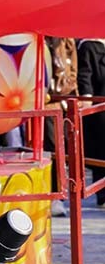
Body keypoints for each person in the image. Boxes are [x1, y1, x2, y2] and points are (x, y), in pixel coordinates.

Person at [45, 36, 78, 216]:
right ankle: (53, 193)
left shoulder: (65, 40)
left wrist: (69, 90)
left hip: (59, 99)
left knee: (59, 146)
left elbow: (72, 69)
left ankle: (58, 193)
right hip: (41, 97)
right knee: (50, 146)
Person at [77, 38, 105, 206]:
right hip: (99, 107)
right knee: (101, 151)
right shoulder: (88, 46)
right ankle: (102, 193)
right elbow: (84, 76)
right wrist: (86, 98)